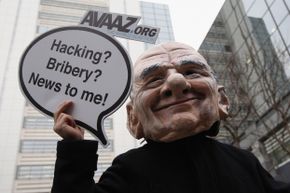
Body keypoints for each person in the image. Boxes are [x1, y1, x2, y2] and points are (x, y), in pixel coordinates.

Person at [51, 42, 290, 193]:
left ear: (221, 100)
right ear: (134, 117)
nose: (176, 83)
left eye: (191, 71)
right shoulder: (131, 168)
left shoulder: (244, 161)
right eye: (154, 79)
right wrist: (74, 150)